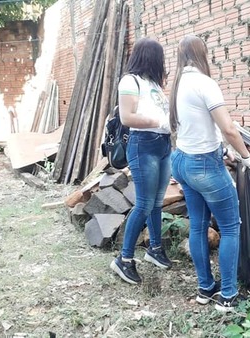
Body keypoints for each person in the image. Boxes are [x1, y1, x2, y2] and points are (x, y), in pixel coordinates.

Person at [168, 35, 250, 312]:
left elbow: (200, 126)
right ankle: (228, 295)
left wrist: (221, 150)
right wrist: (246, 156)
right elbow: (229, 128)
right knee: (230, 227)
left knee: (197, 225)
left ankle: (205, 288)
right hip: (203, 165)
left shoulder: (178, 84)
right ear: (202, 54)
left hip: (182, 161)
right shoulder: (205, 83)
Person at [109, 37, 173, 285]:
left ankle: (154, 249)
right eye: (160, 57)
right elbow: (127, 117)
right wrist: (158, 122)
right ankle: (123, 260)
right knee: (144, 204)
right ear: (151, 58)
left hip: (163, 145)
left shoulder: (154, 84)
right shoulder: (130, 81)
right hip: (143, 145)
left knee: (157, 202)